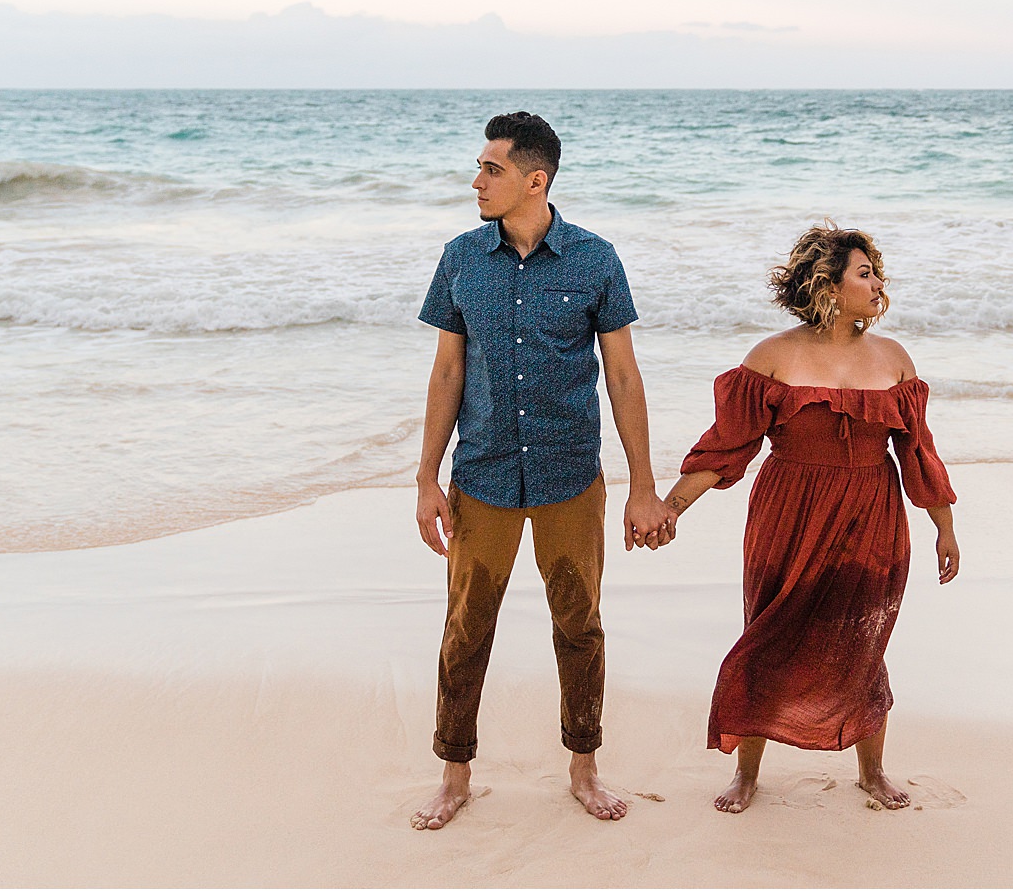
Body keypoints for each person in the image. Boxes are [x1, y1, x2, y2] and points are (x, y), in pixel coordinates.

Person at [410, 111, 676, 830]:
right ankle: (455, 774)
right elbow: (447, 372)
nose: (476, 181)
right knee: (466, 627)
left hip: (569, 477)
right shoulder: (461, 257)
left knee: (579, 626)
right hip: (483, 476)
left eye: (490, 169)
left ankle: (584, 769)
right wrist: (427, 477)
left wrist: (643, 486)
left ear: (536, 179)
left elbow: (622, 374)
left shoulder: (596, 259)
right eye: (479, 167)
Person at [653, 224, 960, 813]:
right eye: (864, 273)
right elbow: (725, 449)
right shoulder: (772, 357)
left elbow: (918, 452)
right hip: (789, 512)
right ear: (828, 283)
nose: (877, 284)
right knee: (767, 632)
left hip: (871, 512)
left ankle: (872, 771)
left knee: (864, 637)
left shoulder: (894, 359)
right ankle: (747, 775)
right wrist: (670, 507)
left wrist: (943, 527)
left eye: (876, 273)